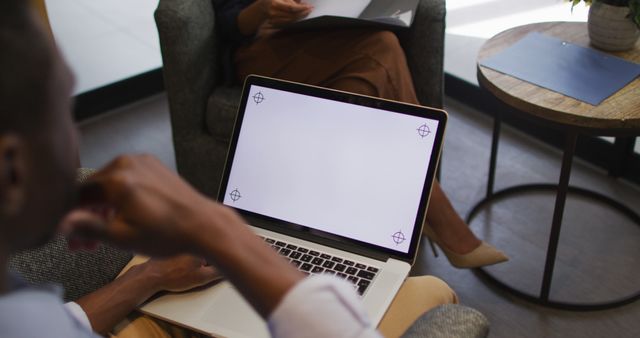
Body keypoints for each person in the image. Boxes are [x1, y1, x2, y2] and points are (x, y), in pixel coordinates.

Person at [0, 2, 457, 337]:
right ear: (14, 164)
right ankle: (434, 212)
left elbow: (55, 326)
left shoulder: (19, 314)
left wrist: (147, 278)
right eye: (66, 108)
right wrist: (224, 232)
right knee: (431, 291)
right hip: (274, 44)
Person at [213, 0, 508, 268]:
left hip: (328, 33)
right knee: (381, 51)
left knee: (365, 79)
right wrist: (263, 9)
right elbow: (227, 23)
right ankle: (434, 213)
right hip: (264, 45)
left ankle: (337, 241)